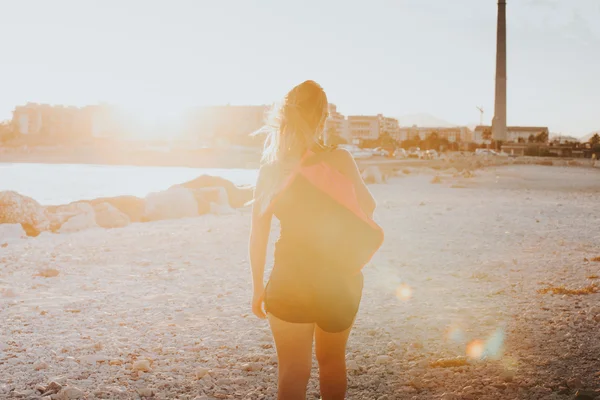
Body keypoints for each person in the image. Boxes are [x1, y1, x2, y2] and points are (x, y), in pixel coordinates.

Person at [248, 80, 377, 400]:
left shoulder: (272, 168)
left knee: (293, 371)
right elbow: (368, 206)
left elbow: (258, 232)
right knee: (332, 363)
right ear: (323, 117)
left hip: (290, 278)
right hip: (339, 279)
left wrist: (256, 287)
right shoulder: (341, 159)